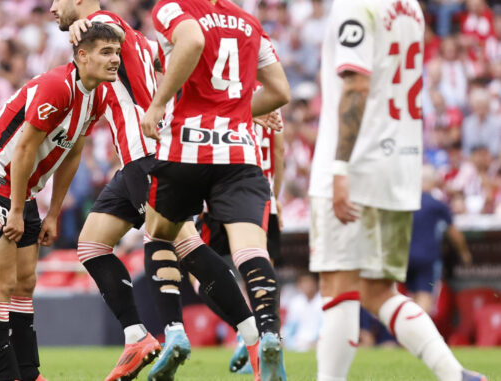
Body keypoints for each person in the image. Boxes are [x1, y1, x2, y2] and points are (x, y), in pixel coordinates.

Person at [307, 1, 487, 381]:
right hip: (399, 168)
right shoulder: (410, 9)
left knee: (338, 285)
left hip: (355, 165)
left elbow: (355, 83)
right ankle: (454, 374)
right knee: (379, 291)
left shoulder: (356, 7)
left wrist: (339, 167)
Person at [0, 24, 121, 381]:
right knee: (1, 282)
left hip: (23, 187)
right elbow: (24, 150)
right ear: (82, 56)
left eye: (117, 52)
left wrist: (52, 212)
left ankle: (29, 374)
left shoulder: (100, 95)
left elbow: (74, 150)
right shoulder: (57, 87)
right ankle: (7, 375)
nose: (115, 60)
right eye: (106, 52)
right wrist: (17, 210)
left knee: (26, 282)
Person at [141, 0, 290, 378]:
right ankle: (269, 332)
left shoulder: (172, 8)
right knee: (252, 250)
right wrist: (240, 112)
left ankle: (173, 330)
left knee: (159, 233)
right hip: (240, 153)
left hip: (187, 148)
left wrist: (158, 104)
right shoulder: (248, 22)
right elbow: (280, 91)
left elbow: (190, 40)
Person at [48, 0, 165, 379]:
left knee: (181, 245)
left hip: (145, 153)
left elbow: (100, 21)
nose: (52, 8)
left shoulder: (101, 23)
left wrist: (83, 26)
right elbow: (173, 58)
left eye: (57, 0)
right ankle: (136, 336)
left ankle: (254, 334)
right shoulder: (141, 42)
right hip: (135, 159)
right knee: (92, 245)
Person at [192, 109, 286, 374]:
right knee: (261, 271)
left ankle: (247, 331)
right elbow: (279, 151)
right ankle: (269, 334)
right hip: (263, 195)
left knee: (198, 273)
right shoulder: (272, 97)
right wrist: (275, 195)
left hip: (224, 194)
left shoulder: (232, 91)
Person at [407, 165, 472, 313]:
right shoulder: (436, 205)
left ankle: (408, 332)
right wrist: (464, 253)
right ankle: (418, 333)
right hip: (426, 259)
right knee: (425, 296)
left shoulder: (407, 203)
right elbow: (454, 232)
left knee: (411, 297)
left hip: (406, 257)